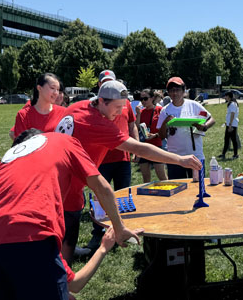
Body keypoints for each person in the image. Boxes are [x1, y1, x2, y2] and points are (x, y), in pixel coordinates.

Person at [0, 129, 142, 299]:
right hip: (30, 237)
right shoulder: (64, 141)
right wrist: (115, 233)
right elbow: (102, 187)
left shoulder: (9, 160)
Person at [49, 80, 202, 263]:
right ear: (103, 102)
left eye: (124, 106)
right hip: (67, 188)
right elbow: (140, 149)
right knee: (65, 238)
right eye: (117, 107)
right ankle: (62, 276)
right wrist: (179, 159)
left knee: (54, 234)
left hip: (55, 179)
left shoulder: (79, 106)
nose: (121, 112)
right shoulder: (98, 125)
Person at [87, 70, 139, 251]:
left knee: (123, 194)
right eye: (104, 82)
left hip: (122, 158)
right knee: (99, 197)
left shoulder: (126, 105)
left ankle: (123, 231)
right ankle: (98, 233)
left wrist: (136, 146)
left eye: (111, 81)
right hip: (102, 159)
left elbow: (132, 125)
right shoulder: (96, 106)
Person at [157, 77, 215, 179]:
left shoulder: (194, 105)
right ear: (168, 93)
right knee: (178, 190)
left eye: (178, 90)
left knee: (197, 188)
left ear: (184, 91)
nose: (175, 93)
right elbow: (161, 136)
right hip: (175, 157)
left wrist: (204, 127)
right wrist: (166, 122)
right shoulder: (165, 111)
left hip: (195, 155)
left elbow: (211, 119)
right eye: (171, 90)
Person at [12, 73, 65, 139]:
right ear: (39, 88)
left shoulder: (64, 113)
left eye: (58, 89)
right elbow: (21, 145)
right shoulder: (23, 115)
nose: (56, 93)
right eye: (52, 88)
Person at [136, 88, 167, 183]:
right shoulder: (141, 112)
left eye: (145, 99)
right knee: (145, 177)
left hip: (156, 145)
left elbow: (165, 128)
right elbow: (136, 128)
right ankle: (147, 196)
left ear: (152, 98)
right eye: (141, 99)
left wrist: (156, 135)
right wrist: (138, 114)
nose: (143, 101)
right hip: (144, 146)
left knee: (162, 176)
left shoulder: (160, 110)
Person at [219, 91, 239, 160]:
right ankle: (223, 154)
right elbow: (230, 115)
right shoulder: (231, 104)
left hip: (232, 125)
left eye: (226, 96)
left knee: (233, 140)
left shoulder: (233, 104)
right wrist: (227, 122)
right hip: (230, 124)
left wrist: (230, 124)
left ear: (229, 96)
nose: (225, 97)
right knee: (227, 139)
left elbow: (233, 114)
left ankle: (236, 154)